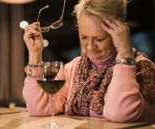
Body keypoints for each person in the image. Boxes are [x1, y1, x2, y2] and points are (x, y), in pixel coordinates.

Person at [22, 0, 155, 122]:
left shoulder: (140, 68)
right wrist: (35, 54)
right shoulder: (74, 68)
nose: (90, 47)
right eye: (84, 37)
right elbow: (40, 108)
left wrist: (125, 52)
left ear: (119, 32)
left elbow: (120, 113)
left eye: (100, 39)